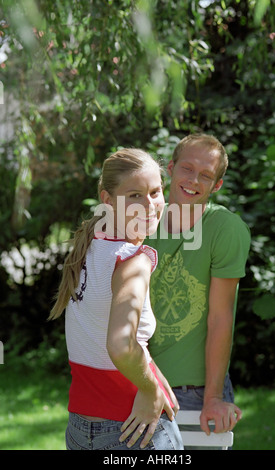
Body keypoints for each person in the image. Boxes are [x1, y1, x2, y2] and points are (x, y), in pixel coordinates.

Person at [49, 148, 183, 451]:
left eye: (155, 191)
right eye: (135, 195)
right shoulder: (132, 260)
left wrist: (148, 366)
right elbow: (121, 344)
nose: (150, 205)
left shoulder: (89, 248)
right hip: (134, 428)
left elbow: (97, 335)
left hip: (81, 429)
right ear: (108, 200)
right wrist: (149, 390)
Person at [147, 133, 251, 446]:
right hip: (140, 384)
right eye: (187, 168)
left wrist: (214, 397)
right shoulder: (141, 223)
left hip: (196, 391)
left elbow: (221, 317)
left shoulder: (224, 228)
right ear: (170, 168)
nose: (194, 180)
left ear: (217, 185)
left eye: (206, 175)